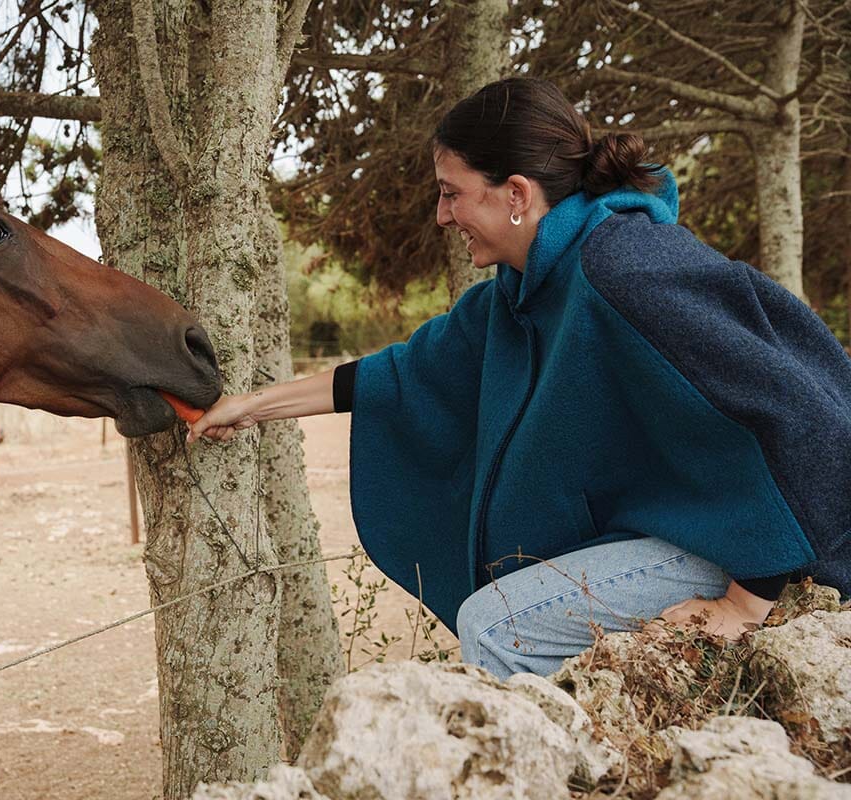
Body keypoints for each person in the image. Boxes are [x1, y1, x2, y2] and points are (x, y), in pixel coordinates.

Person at [186, 77, 851, 679]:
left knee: (497, 626)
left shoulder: (627, 267)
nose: (442, 216)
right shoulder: (518, 295)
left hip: (751, 545)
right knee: (498, 618)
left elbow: (801, 414)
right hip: (683, 529)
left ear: (516, 194)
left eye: (452, 194)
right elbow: (403, 374)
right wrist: (249, 406)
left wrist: (746, 600)